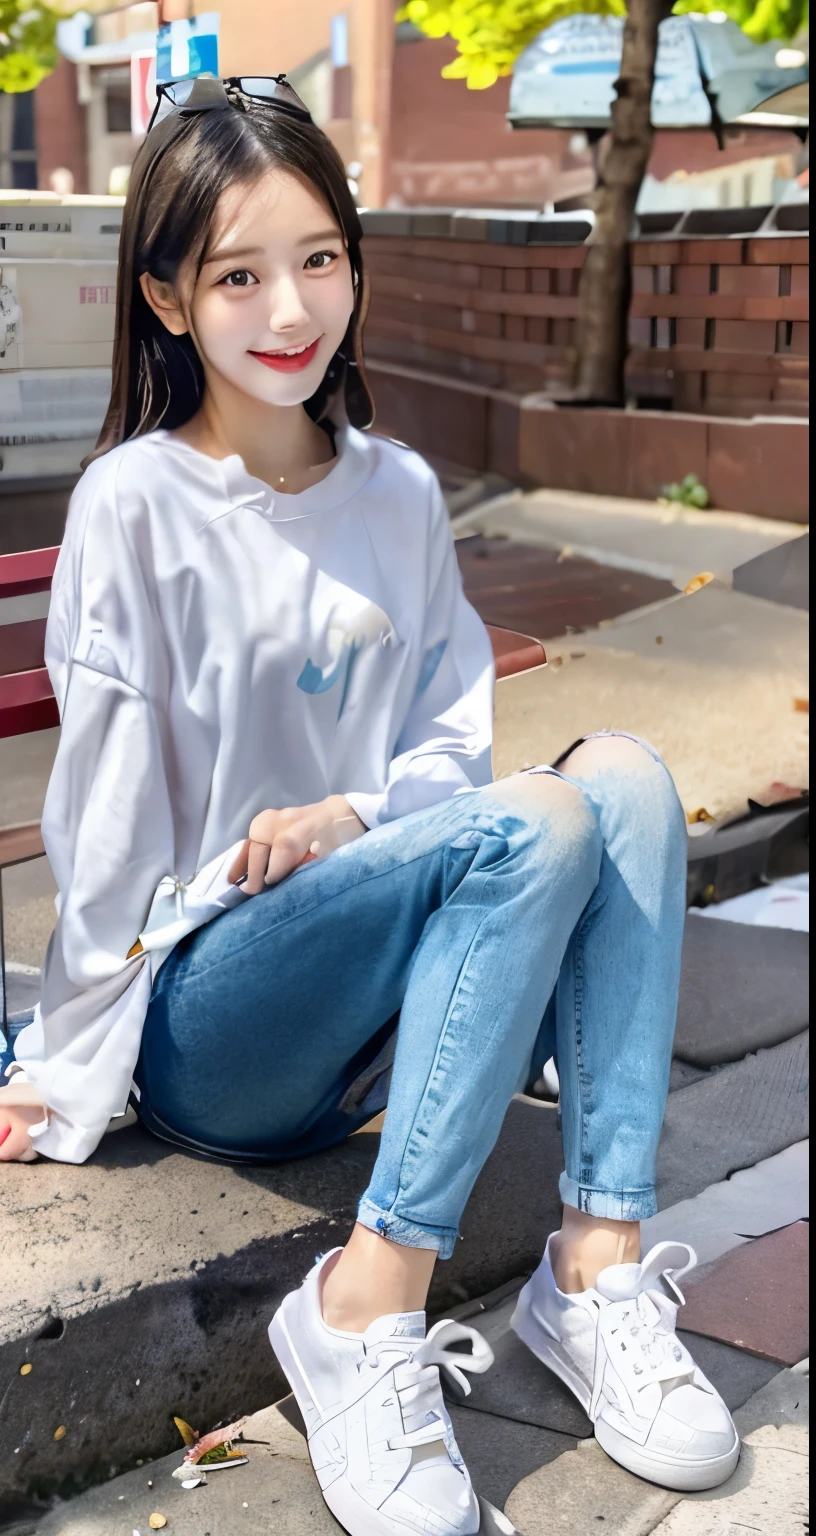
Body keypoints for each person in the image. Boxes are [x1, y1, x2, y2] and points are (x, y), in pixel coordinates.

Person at [0, 76, 740, 1535]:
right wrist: (65, 1067)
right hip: (216, 1014)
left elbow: (447, 750)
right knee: (540, 817)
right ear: (164, 299)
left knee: (627, 783)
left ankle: (594, 1275)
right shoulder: (135, 506)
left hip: (382, 1003)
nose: (292, 308)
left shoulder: (398, 494)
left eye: (320, 257)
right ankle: (359, 1303)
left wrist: (351, 818)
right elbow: (106, 829)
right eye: (238, 274)